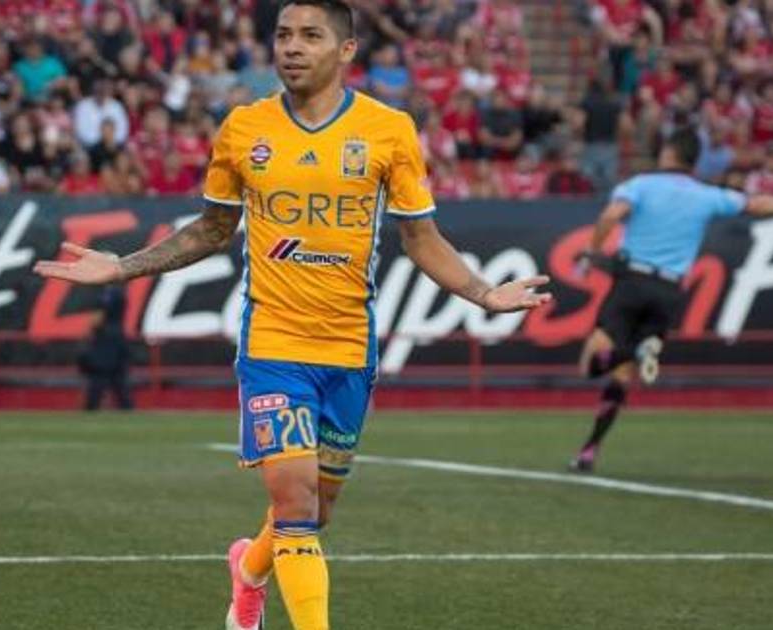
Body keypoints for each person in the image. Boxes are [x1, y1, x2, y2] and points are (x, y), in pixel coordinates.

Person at [35, 2, 550, 628]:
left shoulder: (388, 130)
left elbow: (421, 238)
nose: (292, 47)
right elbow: (211, 229)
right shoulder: (243, 128)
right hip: (273, 346)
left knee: (315, 511)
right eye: (283, 35)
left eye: (310, 35)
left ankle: (249, 570)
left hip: (349, 349)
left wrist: (485, 294)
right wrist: (123, 267)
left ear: (347, 50)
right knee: (298, 506)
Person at [569, 128, 773, 473]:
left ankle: (631, 355)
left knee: (592, 365)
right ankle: (589, 449)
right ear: (694, 161)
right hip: (669, 291)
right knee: (621, 375)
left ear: (667, 153)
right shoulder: (708, 195)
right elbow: (759, 204)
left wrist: (592, 253)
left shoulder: (641, 185)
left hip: (632, 281)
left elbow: (610, 215)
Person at [78, 284, 133, 411]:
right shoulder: (121, 294)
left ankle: (91, 408)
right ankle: (127, 409)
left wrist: (90, 332)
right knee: (119, 382)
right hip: (119, 339)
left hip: (104, 342)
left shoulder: (107, 295)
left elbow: (97, 319)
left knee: (98, 378)